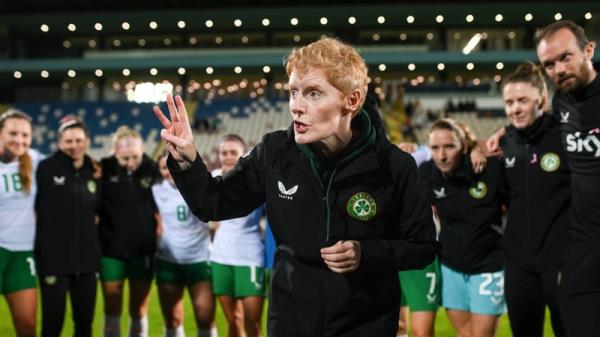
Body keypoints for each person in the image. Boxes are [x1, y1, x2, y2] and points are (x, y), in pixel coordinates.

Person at [154, 37, 438, 337]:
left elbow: (422, 248)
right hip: (291, 321)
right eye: (293, 93)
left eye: (313, 94)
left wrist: (367, 253)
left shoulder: (394, 166)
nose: (296, 107)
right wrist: (188, 161)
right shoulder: (274, 153)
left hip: (365, 323)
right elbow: (213, 203)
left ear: (351, 101)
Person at [486, 20, 600, 337]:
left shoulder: (558, 126)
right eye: (550, 64)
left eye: (565, 57)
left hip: (564, 258)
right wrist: (497, 137)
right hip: (531, 260)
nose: (559, 68)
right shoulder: (556, 112)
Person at [498, 63, 569, 337]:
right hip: (519, 264)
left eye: (522, 100)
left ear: (541, 99)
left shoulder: (565, 135)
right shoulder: (506, 143)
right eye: (509, 102)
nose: (515, 108)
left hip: (563, 260)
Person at [421, 118, 506, 337]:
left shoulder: (491, 170)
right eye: (435, 148)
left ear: (464, 146)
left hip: (489, 267)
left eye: (449, 146)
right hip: (451, 268)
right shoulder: (427, 174)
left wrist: (479, 148)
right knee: (465, 333)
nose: (442, 155)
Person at [395, 134, 487, 337]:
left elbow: (450, 150)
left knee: (421, 332)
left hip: (420, 258)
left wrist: (474, 150)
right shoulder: (365, 161)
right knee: (396, 328)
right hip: (389, 255)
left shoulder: (414, 155)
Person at [35, 116, 102, 337]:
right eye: (69, 141)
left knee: (84, 325)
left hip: (87, 264)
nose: (74, 145)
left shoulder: (94, 172)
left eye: (79, 140)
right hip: (53, 262)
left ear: (87, 140)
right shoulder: (45, 168)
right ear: (59, 142)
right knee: (52, 325)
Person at [98, 126, 160, 337]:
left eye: (135, 157)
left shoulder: (153, 169)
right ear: (115, 152)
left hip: (142, 252)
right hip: (110, 252)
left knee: (138, 309)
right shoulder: (104, 168)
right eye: (125, 158)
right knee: (112, 309)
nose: (131, 163)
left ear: (143, 149)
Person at [152, 151, 217, 337]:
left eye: (172, 165)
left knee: (205, 318)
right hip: (168, 260)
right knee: (172, 319)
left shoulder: (202, 184)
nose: (169, 171)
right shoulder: (155, 189)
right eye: (164, 167)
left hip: (200, 258)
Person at [210, 134, 265, 337]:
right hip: (220, 257)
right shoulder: (213, 177)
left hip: (250, 258)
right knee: (233, 321)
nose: (228, 156)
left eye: (233, 152)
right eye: (224, 152)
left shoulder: (257, 180)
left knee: (253, 325)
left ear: (243, 154)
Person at [0, 109, 42, 337]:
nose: (19, 140)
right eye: (13, 133)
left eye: (25, 135)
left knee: (27, 326)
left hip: (22, 254)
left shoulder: (35, 160)